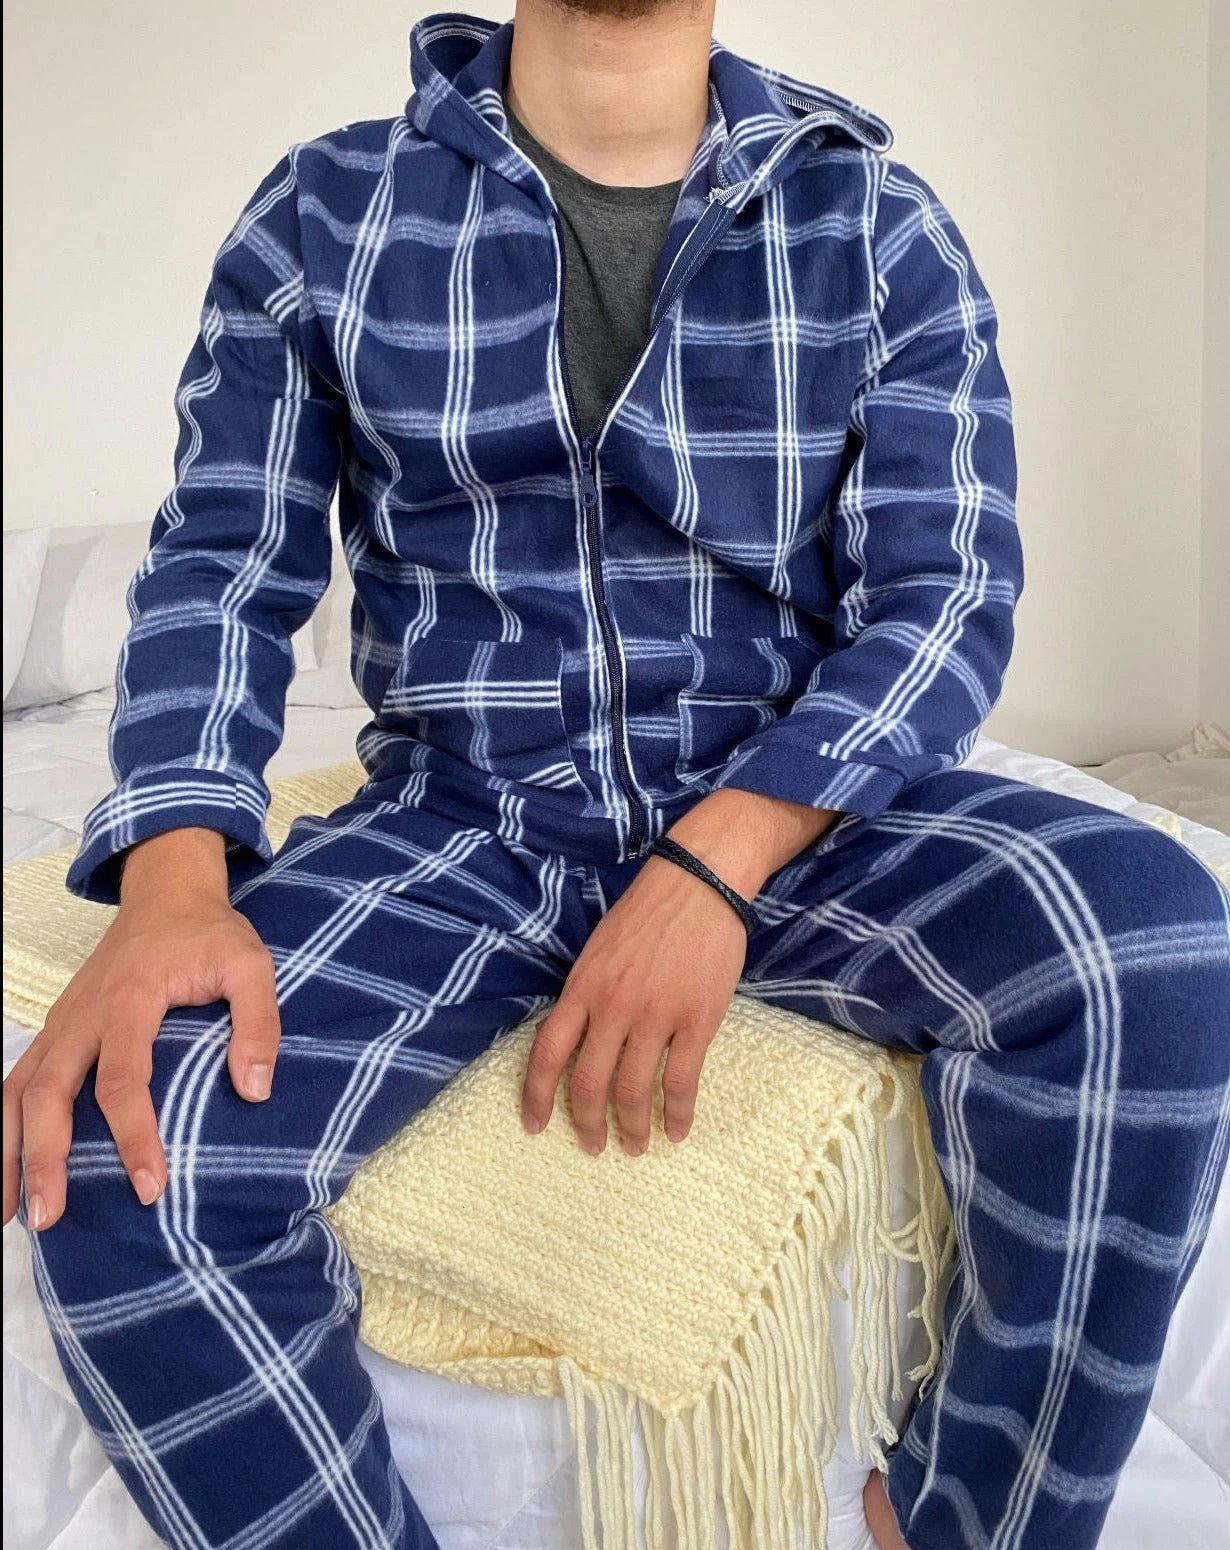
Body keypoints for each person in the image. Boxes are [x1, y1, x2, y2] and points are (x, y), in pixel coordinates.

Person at [4, 2, 1228, 1546]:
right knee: (122, 1160)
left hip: (795, 810)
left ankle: (958, 1524)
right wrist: (175, 876)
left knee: (1153, 945)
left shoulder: (874, 222)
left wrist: (714, 861)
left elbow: (941, 599)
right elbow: (220, 575)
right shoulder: (325, 211)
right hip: (462, 819)